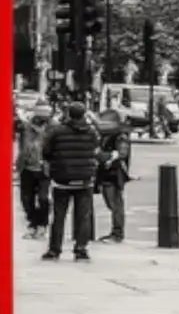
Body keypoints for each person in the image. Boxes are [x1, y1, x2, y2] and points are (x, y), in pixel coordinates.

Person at [40, 95, 101, 261]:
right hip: (84, 179)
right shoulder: (91, 132)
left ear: (68, 114)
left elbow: (46, 151)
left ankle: (55, 249)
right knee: (83, 216)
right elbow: (96, 149)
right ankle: (81, 248)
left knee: (59, 215)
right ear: (84, 114)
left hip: (62, 179)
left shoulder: (57, 131)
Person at [94, 95, 132, 243]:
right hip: (106, 172)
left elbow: (122, 154)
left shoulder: (120, 137)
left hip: (114, 173)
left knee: (115, 204)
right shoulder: (107, 136)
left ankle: (117, 233)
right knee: (112, 203)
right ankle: (116, 232)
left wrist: (101, 155)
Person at [14, 98, 53, 236]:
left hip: (45, 169)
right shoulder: (25, 126)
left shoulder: (53, 127)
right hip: (27, 167)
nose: (43, 118)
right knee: (27, 199)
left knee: (43, 198)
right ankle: (33, 222)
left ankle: (42, 224)